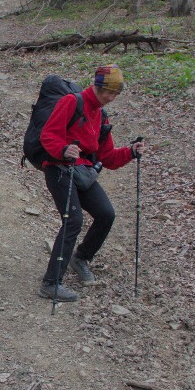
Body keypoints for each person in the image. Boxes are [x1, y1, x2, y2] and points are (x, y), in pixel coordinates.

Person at [38, 64, 145, 302]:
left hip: (83, 172)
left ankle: (81, 258)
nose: (112, 98)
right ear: (98, 86)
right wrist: (64, 149)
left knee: (106, 214)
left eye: (116, 94)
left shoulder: (101, 114)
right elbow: (48, 135)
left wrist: (130, 152)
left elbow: (107, 157)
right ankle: (50, 282)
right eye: (109, 92)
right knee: (73, 220)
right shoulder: (71, 102)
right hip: (58, 169)